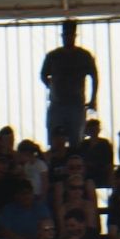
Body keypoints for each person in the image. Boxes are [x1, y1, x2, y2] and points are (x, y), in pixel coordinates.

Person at [40, 21, 99, 150]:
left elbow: (95, 77)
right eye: (66, 35)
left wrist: (93, 99)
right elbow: (43, 75)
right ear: (62, 36)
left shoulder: (83, 55)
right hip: (58, 103)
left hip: (75, 104)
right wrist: (51, 86)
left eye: (70, 35)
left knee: (76, 141)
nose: (68, 38)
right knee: (55, 139)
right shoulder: (53, 56)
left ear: (74, 36)